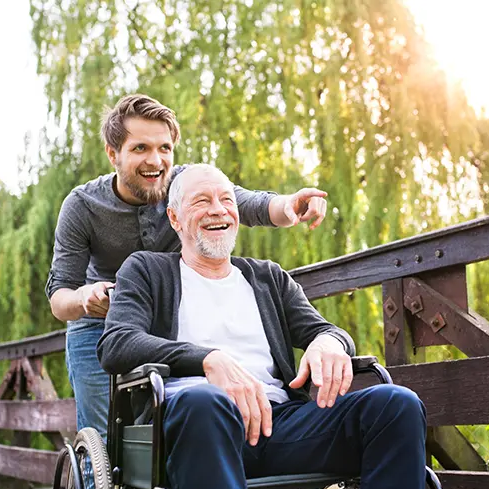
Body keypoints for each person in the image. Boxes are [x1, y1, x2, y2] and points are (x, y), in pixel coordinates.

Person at [98, 164, 428, 489]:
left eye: (227, 200)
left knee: (396, 405)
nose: (218, 209)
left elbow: (324, 330)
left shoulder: (268, 277)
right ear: (175, 218)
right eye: (201, 201)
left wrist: (329, 342)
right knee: (205, 401)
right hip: (195, 426)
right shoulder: (146, 271)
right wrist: (208, 360)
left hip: (279, 424)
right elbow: (117, 344)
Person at [45, 94, 329, 442]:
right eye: (140, 149)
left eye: (165, 148)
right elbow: (59, 299)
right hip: (98, 326)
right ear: (112, 154)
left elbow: (250, 204)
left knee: (170, 424)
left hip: (165, 318)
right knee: (105, 438)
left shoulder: (185, 186)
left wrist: (292, 205)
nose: (156, 160)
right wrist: (85, 298)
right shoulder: (82, 206)